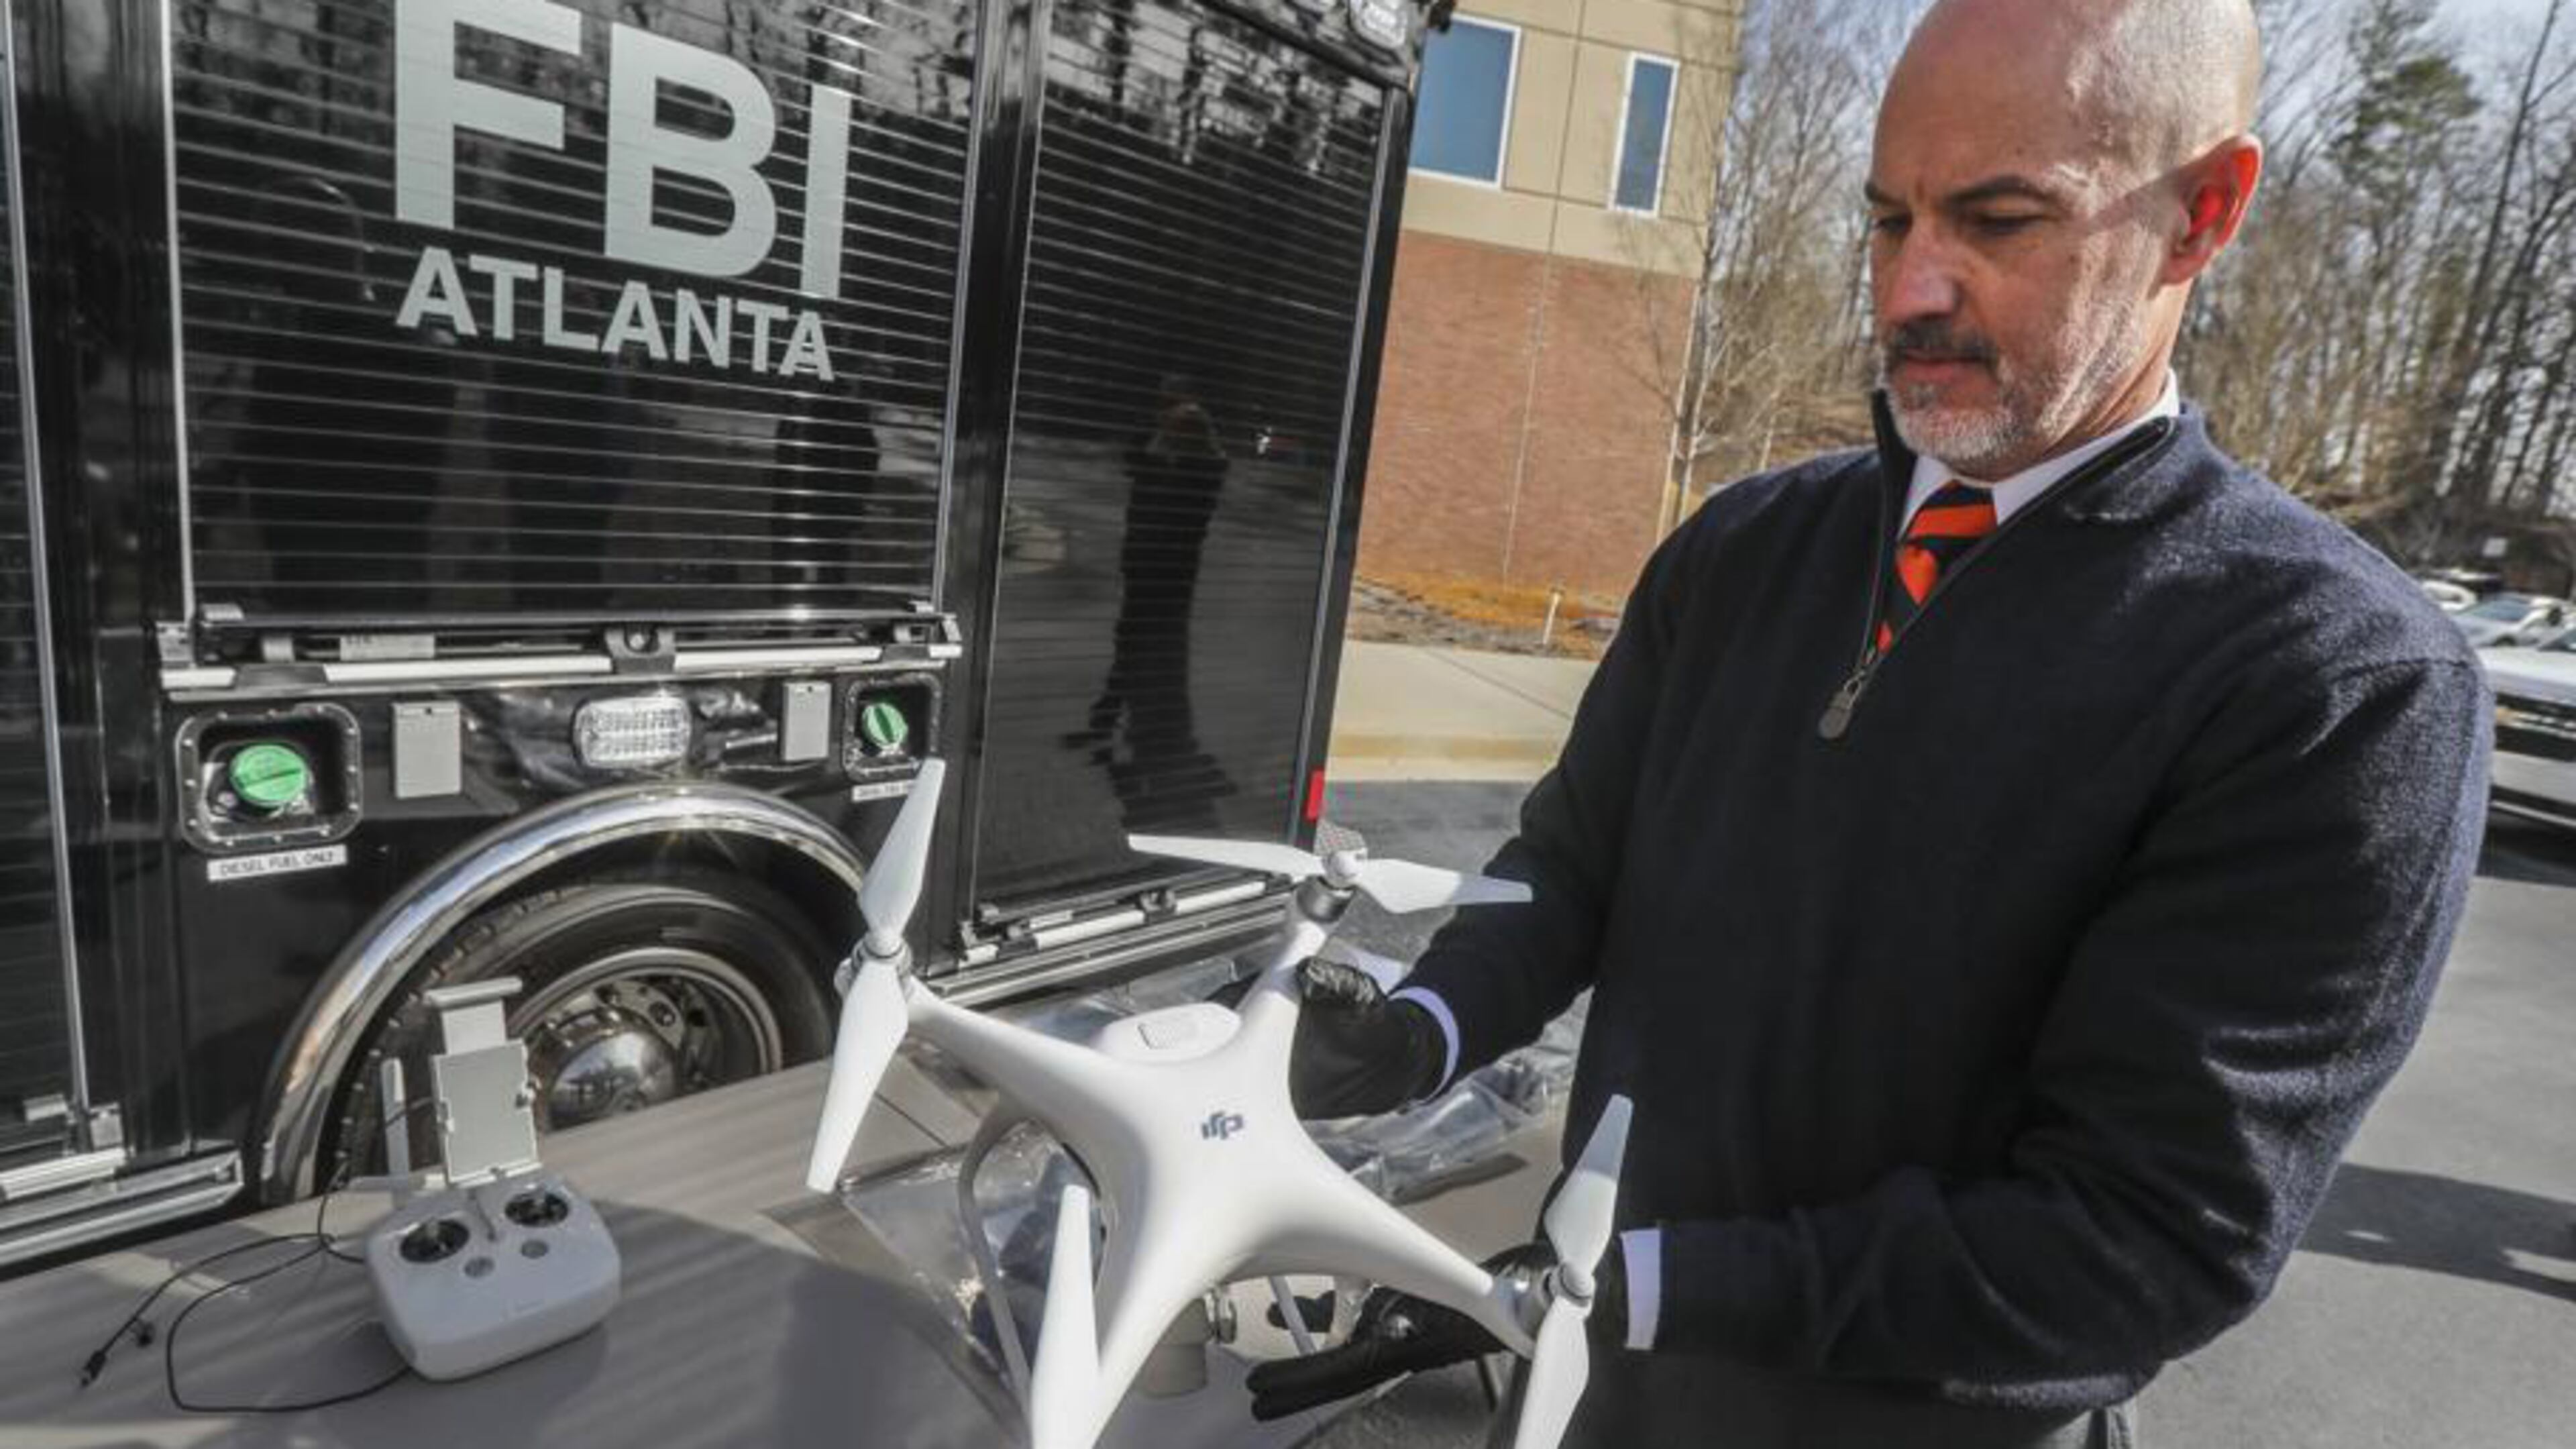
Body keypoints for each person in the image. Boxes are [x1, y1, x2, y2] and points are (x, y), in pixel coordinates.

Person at [1246, 0, 2491, 1444]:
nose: (1909, 290)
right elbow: (1570, 870)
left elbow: (2140, 1241)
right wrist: (1413, 1033)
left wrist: (1651, 1282)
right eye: (1888, 219)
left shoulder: (2337, 681)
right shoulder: (1744, 547)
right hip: (1596, 1393)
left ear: (2202, 213)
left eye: (1999, 219)